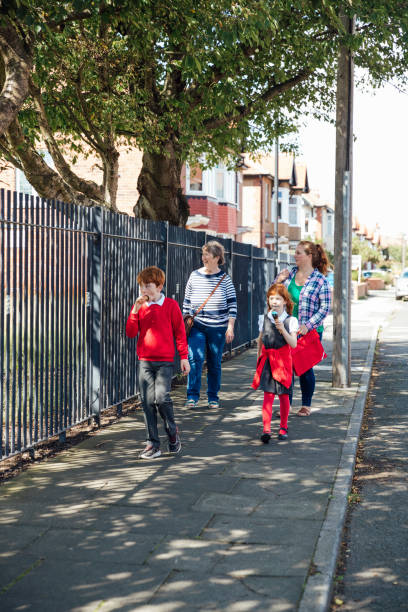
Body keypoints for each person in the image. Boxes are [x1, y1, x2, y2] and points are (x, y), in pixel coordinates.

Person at [126, 266, 190, 459]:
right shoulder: (139, 307)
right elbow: (130, 332)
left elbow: (180, 332)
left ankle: (172, 432)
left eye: (147, 286)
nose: (143, 291)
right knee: (146, 402)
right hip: (145, 360)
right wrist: (135, 311)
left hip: (165, 361)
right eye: (141, 287)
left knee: (161, 399)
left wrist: (184, 357)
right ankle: (152, 444)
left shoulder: (170, 305)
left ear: (160, 286)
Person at [276, 240, 331, 416]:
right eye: (295, 252)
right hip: (287, 329)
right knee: (287, 368)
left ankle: (306, 404)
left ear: (309, 256)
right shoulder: (289, 275)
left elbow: (325, 308)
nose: (295, 255)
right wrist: (278, 280)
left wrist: (308, 325)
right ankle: (286, 405)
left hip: (308, 331)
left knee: (305, 368)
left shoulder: (320, 280)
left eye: (299, 252)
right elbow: (274, 297)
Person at [183, 240, 237, 410]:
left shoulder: (225, 279)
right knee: (195, 359)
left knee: (214, 362)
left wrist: (230, 326)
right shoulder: (194, 275)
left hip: (218, 328)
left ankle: (213, 397)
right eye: (203, 254)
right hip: (197, 325)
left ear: (217, 257)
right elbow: (186, 301)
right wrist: (186, 317)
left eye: (207, 254)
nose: (203, 257)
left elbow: (232, 305)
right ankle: (192, 396)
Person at [252, 283, 298, 442]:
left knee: (284, 396)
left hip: (283, 362)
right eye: (271, 298)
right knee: (268, 395)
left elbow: (293, 344)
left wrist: (282, 329)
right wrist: (258, 361)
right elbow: (260, 341)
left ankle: (283, 427)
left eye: (278, 298)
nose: (274, 302)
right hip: (267, 362)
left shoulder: (291, 320)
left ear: (285, 301)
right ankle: (266, 429)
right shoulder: (263, 319)